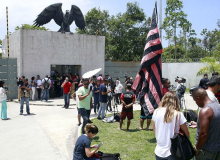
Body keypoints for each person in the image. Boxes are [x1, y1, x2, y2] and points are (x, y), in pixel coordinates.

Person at [152, 91, 189, 160]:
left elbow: (154, 130)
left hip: (159, 150)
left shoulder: (156, 112)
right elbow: (187, 133)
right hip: (173, 151)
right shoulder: (178, 114)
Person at [192, 88, 220, 160]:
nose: (196, 103)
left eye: (195, 101)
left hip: (206, 151)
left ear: (199, 98)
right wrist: (198, 125)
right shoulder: (218, 106)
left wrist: (197, 148)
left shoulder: (205, 111)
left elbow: (203, 134)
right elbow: (214, 123)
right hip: (217, 149)